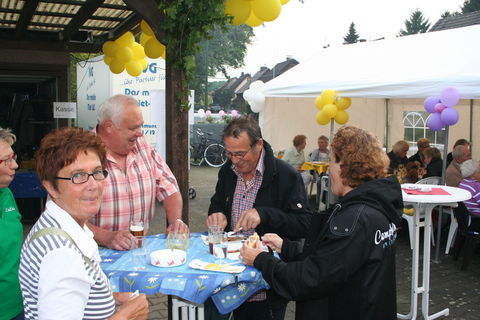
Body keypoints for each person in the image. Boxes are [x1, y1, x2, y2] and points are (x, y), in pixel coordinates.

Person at [240, 126, 403, 320]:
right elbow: (334, 258)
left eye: (331, 161)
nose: (328, 168)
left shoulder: (354, 219)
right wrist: (287, 247)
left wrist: (260, 259)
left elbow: (310, 279)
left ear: (344, 165)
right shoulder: (377, 207)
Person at [19, 127, 148, 319]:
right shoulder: (61, 253)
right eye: (77, 176)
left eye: (97, 172)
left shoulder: (59, 227)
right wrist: (126, 316)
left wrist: (110, 298)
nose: (93, 185)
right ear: (50, 187)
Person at [207, 117, 312, 320]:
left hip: (263, 287)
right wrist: (216, 213)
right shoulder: (227, 172)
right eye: (229, 153)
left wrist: (264, 214)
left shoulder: (286, 175)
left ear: (259, 145)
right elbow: (217, 202)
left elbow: (304, 224)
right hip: (226, 279)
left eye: (240, 154)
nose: (235, 161)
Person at [89, 94, 188, 250]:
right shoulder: (81, 152)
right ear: (109, 126)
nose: (140, 133)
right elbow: (65, 215)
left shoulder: (142, 145)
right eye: (133, 128)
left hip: (137, 251)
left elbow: (169, 187)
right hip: (93, 254)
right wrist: (106, 237)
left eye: (140, 126)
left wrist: (176, 221)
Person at [0, 128, 23, 320]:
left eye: (13, 157)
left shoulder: (6, 194)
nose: (14, 165)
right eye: (6, 160)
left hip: (18, 303)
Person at [458, 160, 480, 230]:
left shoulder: (462, 183)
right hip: (476, 220)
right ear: (473, 175)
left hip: (467, 219)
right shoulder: (476, 186)